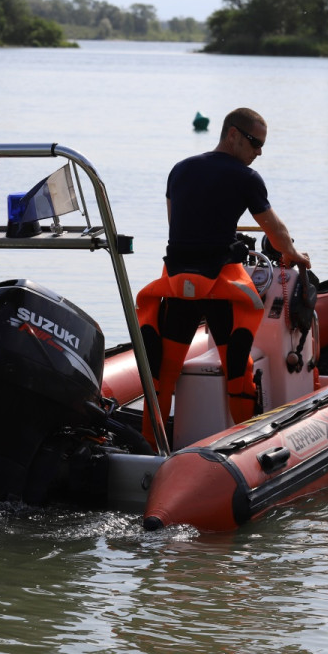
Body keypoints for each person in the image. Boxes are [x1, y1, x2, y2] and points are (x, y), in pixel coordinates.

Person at [136, 107, 311, 445]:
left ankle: (151, 448)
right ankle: (245, 448)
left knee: (163, 373)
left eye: (262, 145)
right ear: (232, 135)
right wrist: (294, 256)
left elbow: (177, 224)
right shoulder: (246, 178)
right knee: (237, 370)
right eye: (254, 142)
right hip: (221, 288)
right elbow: (275, 232)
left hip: (176, 284)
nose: (259, 151)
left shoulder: (180, 169)